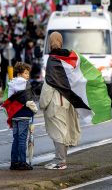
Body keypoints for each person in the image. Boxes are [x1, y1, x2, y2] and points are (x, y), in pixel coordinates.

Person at [40, 32, 81, 170]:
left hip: (56, 101)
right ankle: (60, 159)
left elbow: (49, 84)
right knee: (64, 129)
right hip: (68, 100)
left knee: (59, 132)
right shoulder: (69, 58)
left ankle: (60, 161)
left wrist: (42, 103)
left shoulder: (52, 59)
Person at [2, 62, 37, 170]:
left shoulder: (11, 83)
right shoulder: (25, 84)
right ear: (20, 73)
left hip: (14, 114)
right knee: (22, 139)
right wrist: (35, 109)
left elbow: (9, 99)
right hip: (24, 114)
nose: (28, 76)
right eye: (26, 73)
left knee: (16, 139)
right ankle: (22, 162)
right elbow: (28, 100)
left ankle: (14, 162)